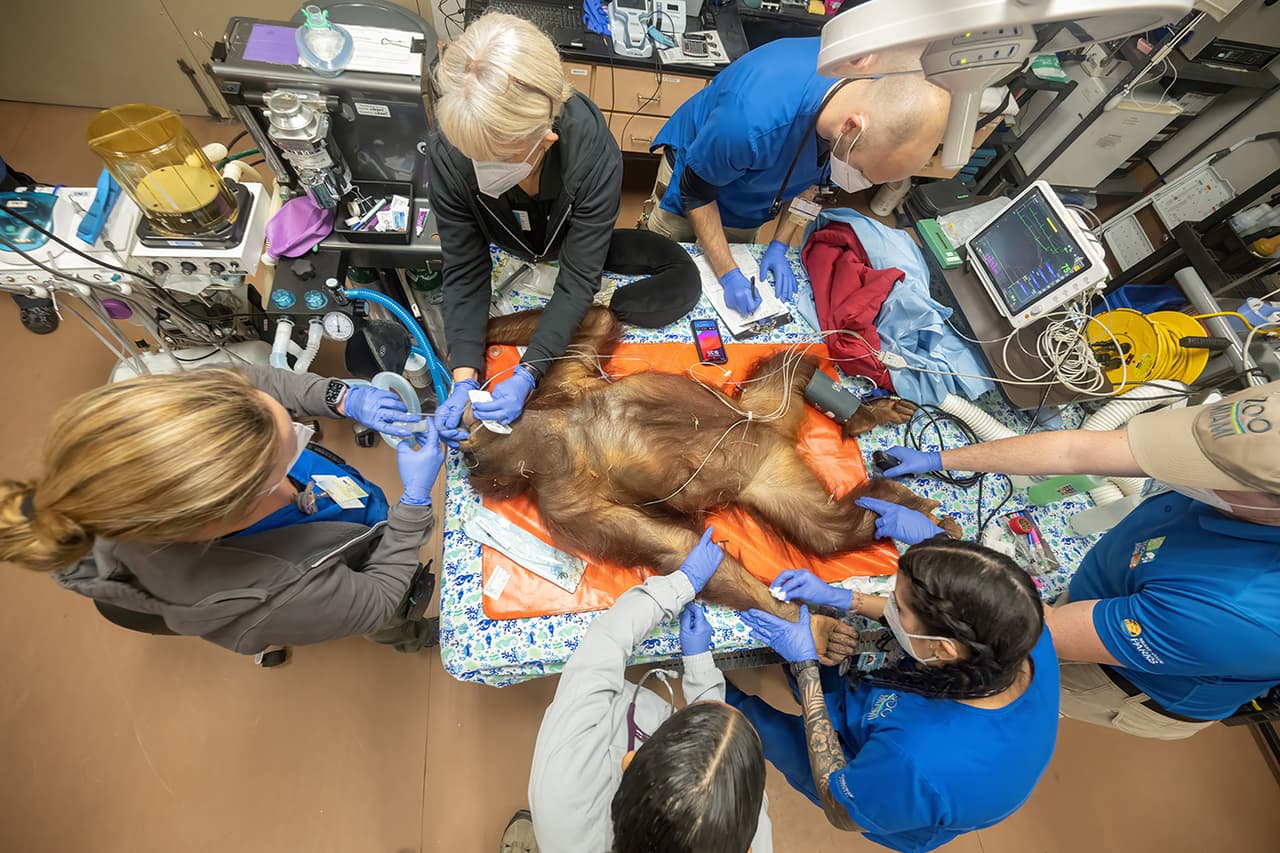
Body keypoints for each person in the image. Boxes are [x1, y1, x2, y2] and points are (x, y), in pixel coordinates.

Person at [878, 382, 1280, 739]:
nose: (1181, 466)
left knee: (1008, 675)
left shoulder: (1236, 612)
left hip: (1122, 677)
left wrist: (937, 544)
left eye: (1204, 469)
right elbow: (1074, 451)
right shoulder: (1252, 444)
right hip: (1134, 585)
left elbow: (1031, 628)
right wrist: (938, 459)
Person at [0, 366, 444, 654]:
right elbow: (377, 598)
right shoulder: (271, 596)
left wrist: (339, 397)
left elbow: (245, 384)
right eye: (288, 453)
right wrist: (414, 502)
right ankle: (416, 637)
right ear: (235, 509)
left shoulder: (161, 428)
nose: (297, 433)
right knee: (393, 620)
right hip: (367, 587)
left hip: (350, 522)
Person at [428, 14, 700, 441]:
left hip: (564, 245)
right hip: (511, 240)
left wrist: (530, 370)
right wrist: (463, 375)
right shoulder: (450, 150)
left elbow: (577, 280)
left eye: (495, 158)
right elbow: (464, 268)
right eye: (472, 156)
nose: (480, 170)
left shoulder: (593, 158)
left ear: (545, 139)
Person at [733, 539, 1058, 853]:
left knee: (757, 725)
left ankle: (726, 703)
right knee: (828, 675)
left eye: (898, 607)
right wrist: (844, 598)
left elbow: (839, 811)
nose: (890, 605)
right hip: (897, 727)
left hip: (879, 788)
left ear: (944, 649)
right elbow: (923, 625)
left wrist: (805, 668)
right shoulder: (1022, 630)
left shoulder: (916, 761)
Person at [642, 37, 949, 316]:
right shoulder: (748, 122)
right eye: (862, 172)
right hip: (697, 178)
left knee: (730, 261)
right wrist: (728, 274)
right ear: (851, 127)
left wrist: (779, 243)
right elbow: (696, 194)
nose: (860, 184)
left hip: (756, 192)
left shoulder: (871, 105)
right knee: (661, 269)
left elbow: (816, 186)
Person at [523, 528, 773, 853]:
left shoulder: (563, 784)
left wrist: (681, 584)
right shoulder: (746, 828)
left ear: (629, 761)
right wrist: (700, 667)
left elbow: (605, 643)